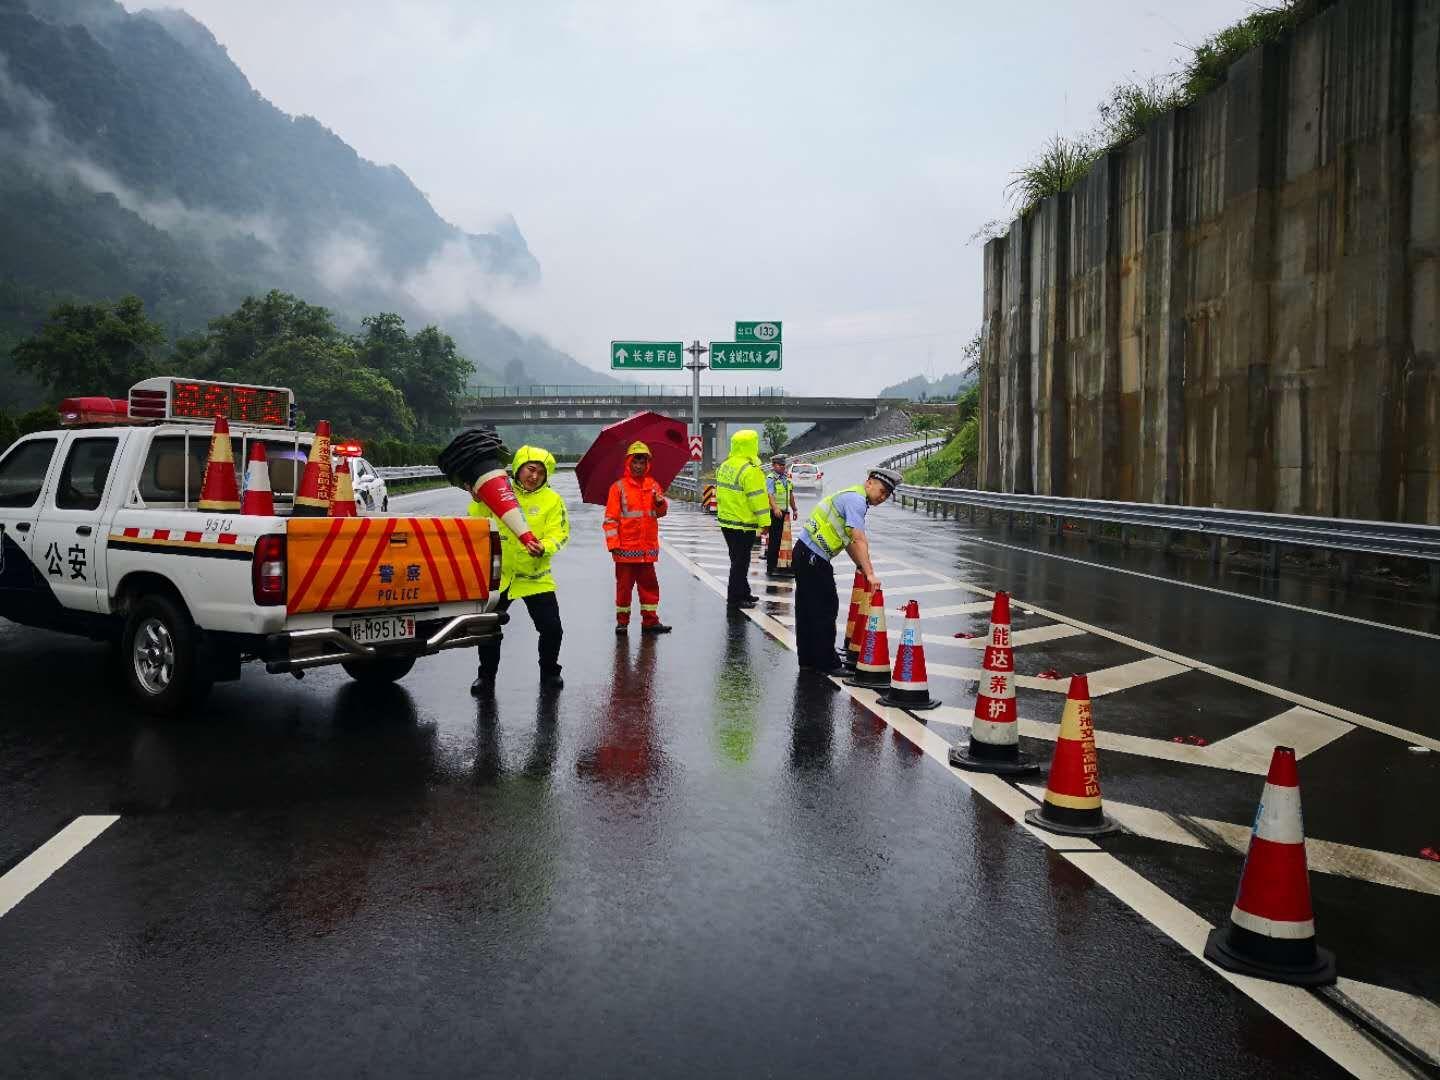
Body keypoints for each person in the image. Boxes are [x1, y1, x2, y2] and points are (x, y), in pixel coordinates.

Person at [470, 445, 569, 694]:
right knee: (489, 628)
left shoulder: (552, 500)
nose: (534, 476)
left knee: (552, 628)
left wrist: (544, 547)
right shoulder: (499, 492)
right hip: (501, 576)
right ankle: (486, 677)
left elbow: (560, 533)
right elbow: (475, 522)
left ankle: (549, 673)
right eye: (530, 469)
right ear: (519, 468)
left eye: (541, 473)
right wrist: (479, 499)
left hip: (536, 578)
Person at [792, 468, 900, 673]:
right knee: (826, 608)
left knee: (806, 610)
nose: (883, 497)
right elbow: (859, 539)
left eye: (887, 494)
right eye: (882, 490)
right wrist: (869, 574)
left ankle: (807, 660)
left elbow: (848, 540)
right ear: (869, 482)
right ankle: (826, 663)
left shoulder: (852, 497)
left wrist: (861, 566)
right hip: (814, 557)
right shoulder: (856, 501)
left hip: (805, 553)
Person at [604, 441, 671, 634]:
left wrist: (660, 503)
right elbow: (610, 519)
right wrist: (613, 544)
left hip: (646, 550)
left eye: (642, 462)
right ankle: (622, 622)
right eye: (635, 462)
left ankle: (650, 622)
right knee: (624, 589)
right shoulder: (618, 488)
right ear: (629, 462)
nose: (639, 466)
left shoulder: (653, 486)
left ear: (647, 463)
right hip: (625, 550)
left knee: (649, 587)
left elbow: (660, 513)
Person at [714, 429, 770, 609]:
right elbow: (758, 499)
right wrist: (765, 523)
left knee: (736, 559)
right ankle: (735, 598)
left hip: (726, 522)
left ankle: (744, 591)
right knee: (740, 562)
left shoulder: (725, 466)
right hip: (743, 524)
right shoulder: (750, 470)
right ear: (751, 446)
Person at [763, 454, 798, 576]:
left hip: (785, 513)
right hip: (775, 513)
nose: (783, 467)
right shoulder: (771, 478)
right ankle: (770, 567)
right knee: (774, 541)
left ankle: (783, 565)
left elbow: (791, 495)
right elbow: (770, 495)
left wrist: (795, 509)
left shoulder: (786, 478)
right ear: (774, 466)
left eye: (784, 465)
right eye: (780, 465)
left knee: (784, 541)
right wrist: (775, 508)